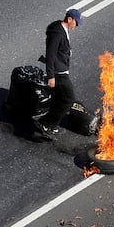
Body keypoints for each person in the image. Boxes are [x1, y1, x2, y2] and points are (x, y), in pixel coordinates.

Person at [34, 8, 83, 138]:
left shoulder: (62, 30)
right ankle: (46, 123)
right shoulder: (57, 33)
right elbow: (50, 54)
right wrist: (51, 76)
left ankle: (52, 125)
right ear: (69, 19)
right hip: (58, 73)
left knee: (58, 99)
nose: (76, 26)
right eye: (76, 23)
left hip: (61, 69)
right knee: (68, 99)